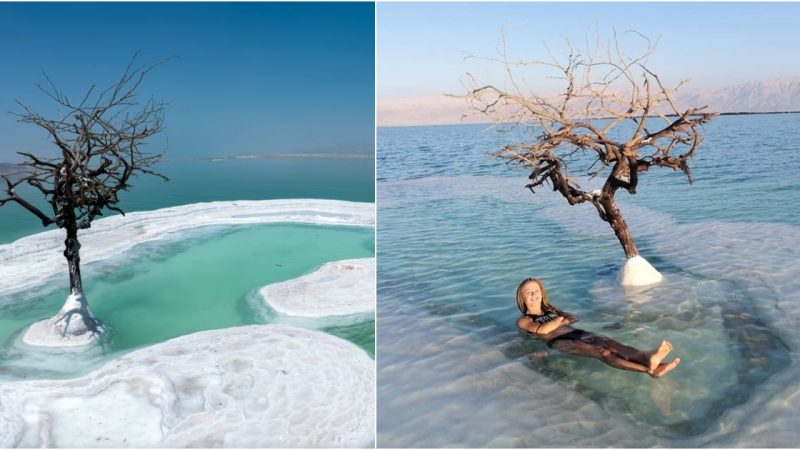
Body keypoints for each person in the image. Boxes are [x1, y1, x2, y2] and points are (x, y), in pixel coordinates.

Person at [515, 278, 680, 377]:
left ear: (542, 293)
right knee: (603, 353)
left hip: (578, 333)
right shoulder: (523, 320)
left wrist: (559, 320)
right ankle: (648, 370)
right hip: (560, 341)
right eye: (528, 292)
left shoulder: (552, 311)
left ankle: (648, 356)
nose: (533, 295)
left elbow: (574, 317)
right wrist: (561, 320)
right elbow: (543, 331)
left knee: (614, 345)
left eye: (536, 290)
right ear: (522, 298)